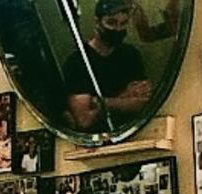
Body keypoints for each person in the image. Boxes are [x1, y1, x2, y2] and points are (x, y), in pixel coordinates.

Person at [63, 0, 151, 132]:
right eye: (111, 22)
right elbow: (84, 119)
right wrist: (124, 98)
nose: (118, 29)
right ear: (97, 22)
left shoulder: (131, 55)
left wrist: (101, 103)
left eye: (123, 24)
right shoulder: (77, 62)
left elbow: (143, 103)